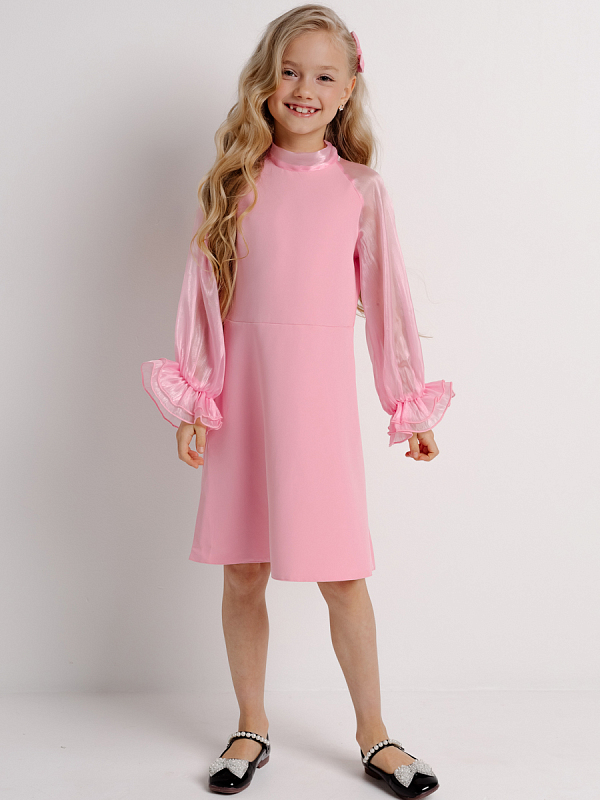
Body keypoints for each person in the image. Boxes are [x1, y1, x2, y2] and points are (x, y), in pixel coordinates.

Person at [141, 4, 454, 797]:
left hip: (317, 406)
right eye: (289, 72)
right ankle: (251, 724)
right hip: (243, 400)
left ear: (348, 89)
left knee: (342, 575)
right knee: (243, 570)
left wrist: (406, 403)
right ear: (266, 81)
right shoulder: (234, 183)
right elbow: (202, 297)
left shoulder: (360, 189)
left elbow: (388, 305)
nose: (303, 89)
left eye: (322, 76)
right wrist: (196, 398)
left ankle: (375, 735)